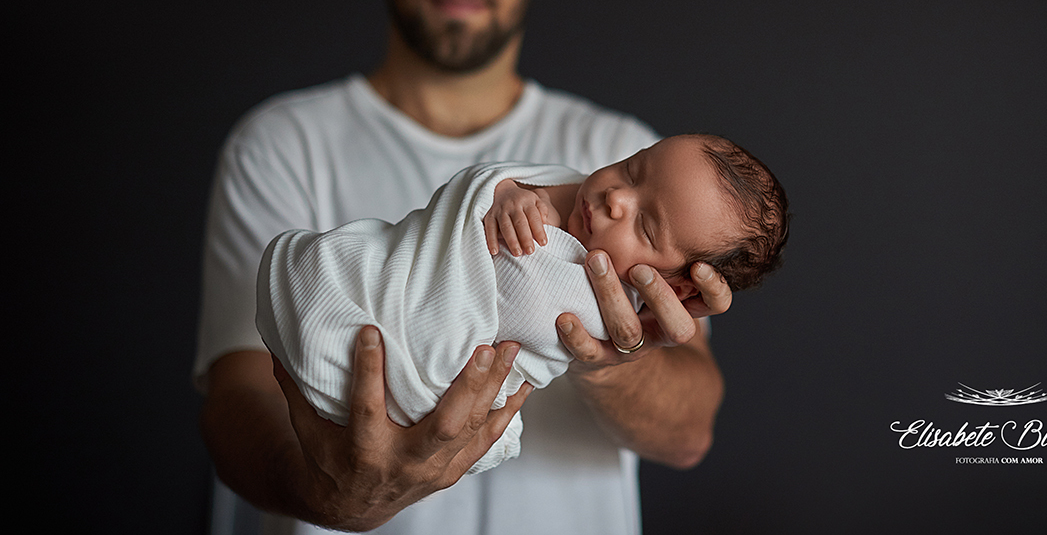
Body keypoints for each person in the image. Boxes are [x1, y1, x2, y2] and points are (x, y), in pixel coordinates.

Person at [195, 0, 735, 534]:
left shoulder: (623, 161)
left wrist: (617, 360)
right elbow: (236, 400)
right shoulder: (284, 142)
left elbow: (689, 431)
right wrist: (330, 495)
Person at [257, 135, 789, 476]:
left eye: (645, 226)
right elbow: (481, 190)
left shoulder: (631, 311)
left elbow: (690, 436)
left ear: (679, 289)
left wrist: (616, 358)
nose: (614, 198)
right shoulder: (569, 188)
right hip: (381, 305)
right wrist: (506, 194)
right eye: (632, 167)